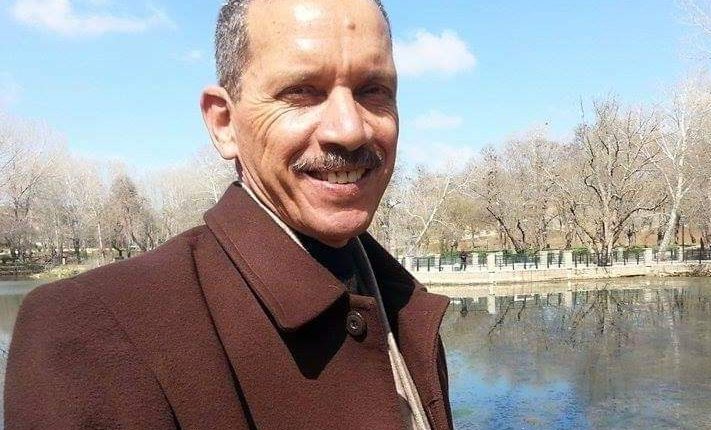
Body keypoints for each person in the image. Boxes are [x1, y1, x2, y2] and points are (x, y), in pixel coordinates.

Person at [4, 0, 453, 429]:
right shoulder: (93, 329)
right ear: (223, 123)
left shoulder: (401, 303)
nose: (349, 129)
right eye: (301, 92)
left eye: (373, 91)